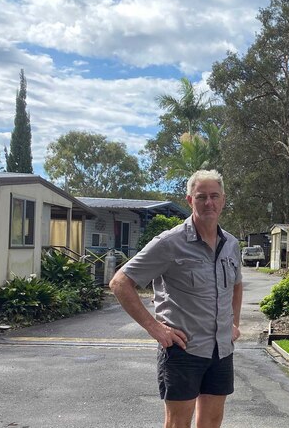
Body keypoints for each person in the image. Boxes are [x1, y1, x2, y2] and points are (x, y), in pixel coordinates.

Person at [110, 170, 243, 428]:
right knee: (178, 423)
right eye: (201, 196)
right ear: (189, 200)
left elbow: (236, 285)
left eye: (214, 196)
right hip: (184, 352)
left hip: (221, 351)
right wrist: (155, 328)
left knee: (213, 421)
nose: (208, 203)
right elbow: (120, 283)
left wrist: (234, 324)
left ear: (223, 200)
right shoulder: (170, 243)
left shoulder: (231, 245)